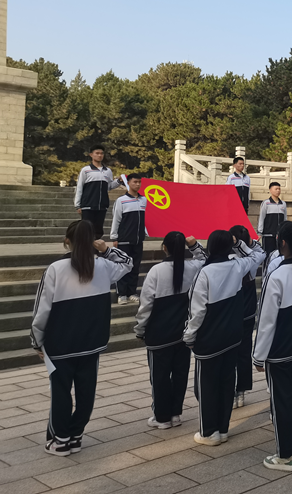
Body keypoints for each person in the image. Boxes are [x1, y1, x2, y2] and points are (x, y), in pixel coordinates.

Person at [31, 220, 134, 455]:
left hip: (60, 344)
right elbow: (127, 263)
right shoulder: (103, 266)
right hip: (92, 342)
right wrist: (106, 249)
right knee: (86, 392)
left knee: (61, 392)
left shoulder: (55, 269)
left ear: (67, 241)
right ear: (92, 242)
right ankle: (76, 435)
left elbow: (41, 311)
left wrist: (36, 341)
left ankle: (60, 440)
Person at [183, 231, 265, 446]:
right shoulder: (236, 266)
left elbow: (197, 311)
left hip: (209, 339)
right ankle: (223, 428)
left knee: (207, 385)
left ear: (210, 246)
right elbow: (259, 255)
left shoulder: (205, 273)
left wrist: (189, 336)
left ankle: (209, 432)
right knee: (227, 382)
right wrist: (239, 244)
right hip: (232, 336)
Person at [253, 221, 292, 472]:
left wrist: (258, 356)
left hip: (281, 351)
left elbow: (267, 321)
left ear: (284, 243)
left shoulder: (276, 275)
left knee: (281, 401)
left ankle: (284, 455)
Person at [134, 232, 205, 429]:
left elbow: (145, 305)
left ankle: (161, 416)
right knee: (180, 374)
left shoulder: (156, 271)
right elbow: (205, 259)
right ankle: (175, 413)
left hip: (159, 334)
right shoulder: (193, 267)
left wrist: (140, 329)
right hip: (183, 333)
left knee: (159, 376)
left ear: (164, 247)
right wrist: (194, 245)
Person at [229, 225, 258, 409]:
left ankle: (232, 390)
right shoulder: (253, 258)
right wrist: (247, 242)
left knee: (231, 352)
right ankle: (242, 389)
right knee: (245, 351)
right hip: (248, 309)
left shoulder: (230, 260)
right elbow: (259, 249)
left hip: (232, 310)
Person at [110, 173, 147, 303]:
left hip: (138, 240)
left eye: (139, 182)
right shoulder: (121, 201)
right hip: (124, 239)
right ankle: (121, 294)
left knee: (135, 267)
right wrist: (114, 237)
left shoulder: (143, 200)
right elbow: (116, 220)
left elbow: (143, 219)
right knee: (123, 266)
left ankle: (132, 292)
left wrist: (144, 232)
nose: (137, 184)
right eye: (135, 182)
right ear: (128, 183)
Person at [74, 144, 122, 239]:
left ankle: (96, 250)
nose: (99, 155)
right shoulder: (86, 170)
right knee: (87, 229)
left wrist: (118, 181)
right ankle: (86, 250)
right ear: (91, 154)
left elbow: (109, 186)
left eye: (101, 153)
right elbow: (79, 187)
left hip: (102, 206)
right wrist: (78, 205)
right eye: (97, 153)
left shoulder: (107, 171)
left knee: (98, 230)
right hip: (88, 205)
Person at [258, 182, 287, 256]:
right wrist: (259, 232)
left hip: (279, 235)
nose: (278, 191)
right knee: (268, 254)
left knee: (279, 255)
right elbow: (261, 218)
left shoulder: (283, 204)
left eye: (279, 189)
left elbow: (285, 219)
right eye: (276, 189)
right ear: (270, 190)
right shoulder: (266, 203)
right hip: (268, 235)